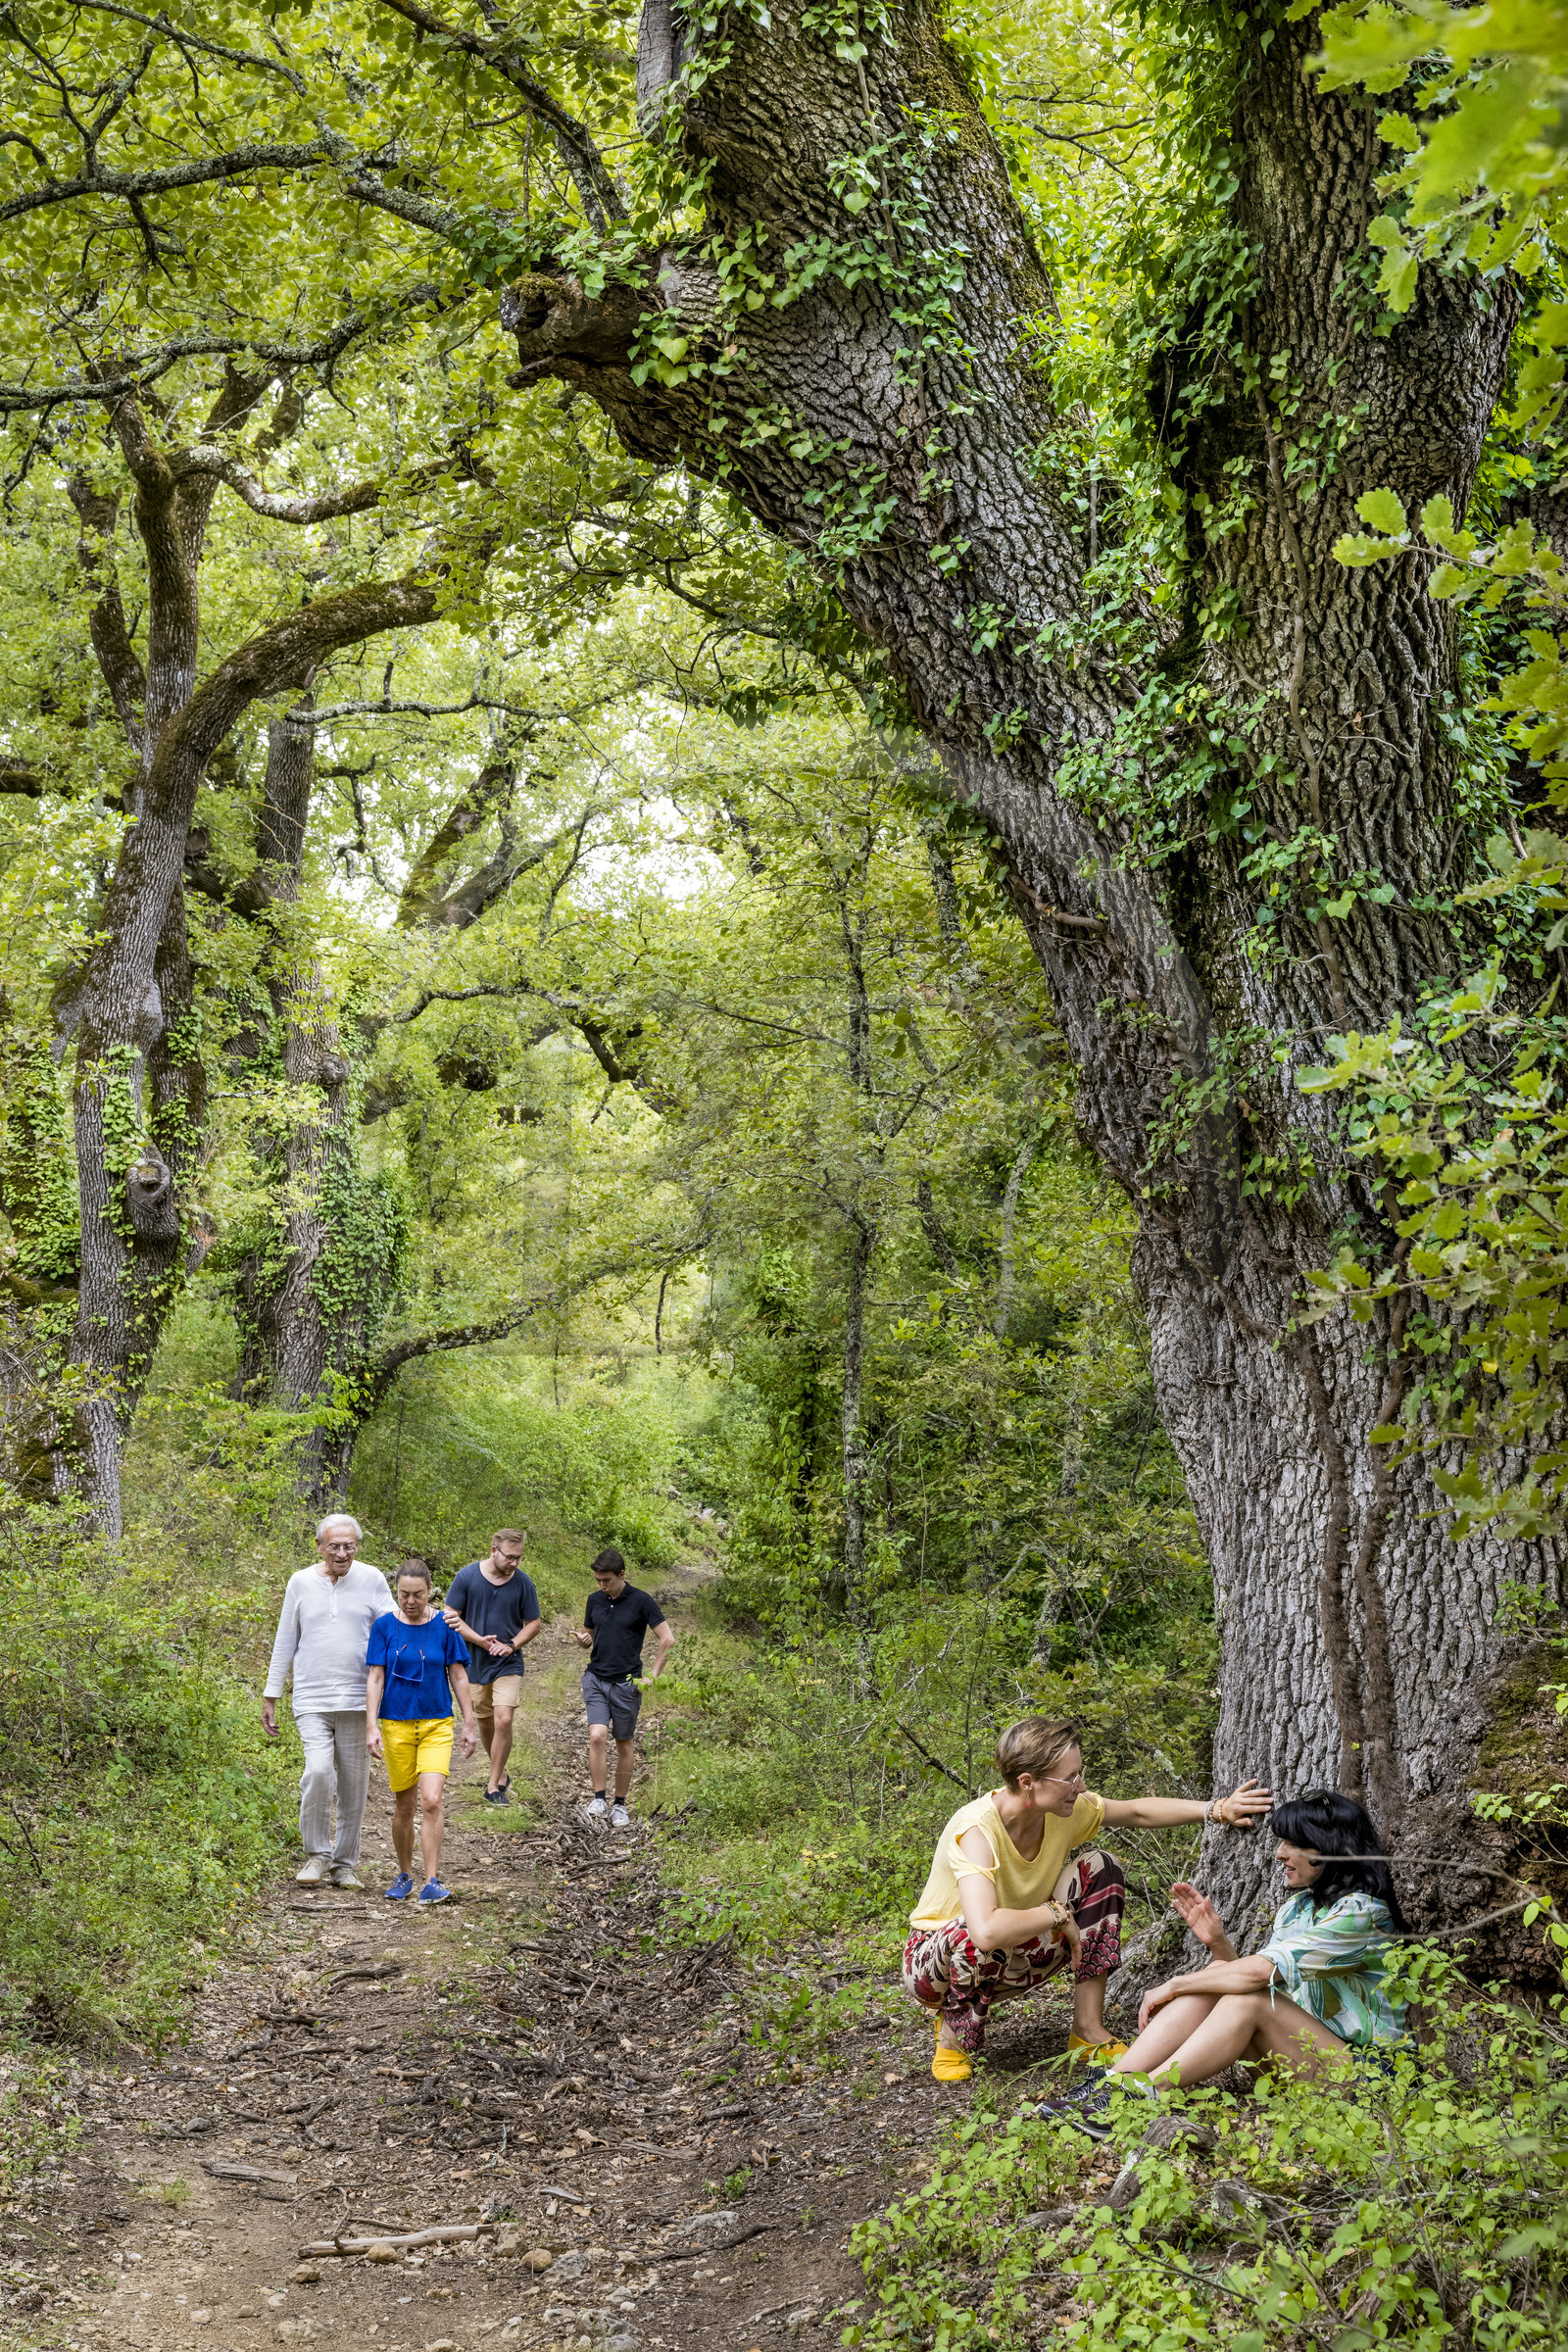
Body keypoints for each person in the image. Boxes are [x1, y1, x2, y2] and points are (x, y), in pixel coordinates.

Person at [906, 1717, 1274, 2083]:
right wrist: (1054, 1913)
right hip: (936, 1969)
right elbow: (985, 1932)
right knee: (975, 1929)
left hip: (1013, 1952)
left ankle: (1087, 2028)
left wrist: (1216, 1809)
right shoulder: (976, 1830)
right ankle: (954, 2038)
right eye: (1070, 1778)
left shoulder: (1062, 1809)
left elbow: (1135, 1811)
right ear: (1027, 1783)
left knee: (1102, 1867)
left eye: (1079, 1773)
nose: (1080, 1786)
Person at [1046, 1789, 1411, 2137]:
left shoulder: (1362, 1913)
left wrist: (1174, 1984)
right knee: (1219, 1975)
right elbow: (1263, 1986)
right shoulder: (1299, 1908)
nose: (1279, 1854)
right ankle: (1115, 2084)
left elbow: (1258, 1981)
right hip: (1304, 2055)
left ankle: (1142, 2095)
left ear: (1330, 1849)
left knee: (1240, 1994)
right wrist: (1219, 1947)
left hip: (1368, 2081)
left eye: (1294, 1844)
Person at [263, 1514, 394, 1888]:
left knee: (354, 1784)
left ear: (357, 1547)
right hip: (312, 1697)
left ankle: (345, 1864)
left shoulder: (372, 1578)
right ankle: (317, 1855)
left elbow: (394, 1626)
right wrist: (271, 1694)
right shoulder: (300, 1582)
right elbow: (285, 1639)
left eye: (349, 1546)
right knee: (318, 1772)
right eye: (334, 1546)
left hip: (358, 1698)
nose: (342, 1553)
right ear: (319, 1546)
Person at [366, 1558, 478, 1904]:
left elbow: (458, 1675)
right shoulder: (384, 1626)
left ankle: (432, 1880)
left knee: (431, 1801)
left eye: (418, 1595)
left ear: (430, 1591)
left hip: (436, 1723)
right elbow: (375, 1677)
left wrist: (469, 1722)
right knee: (405, 1805)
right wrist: (372, 1726)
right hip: (396, 1724)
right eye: (404, 1594)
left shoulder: (445, 1626)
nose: (410, 1601)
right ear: (395, 1592)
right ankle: (404, 1875)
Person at [571, 1546, 674, 1827]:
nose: (602, 1586)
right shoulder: (594, 1600)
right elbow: (589, 1634)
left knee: (624, 1742)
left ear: (621, 1574)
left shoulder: (642, 1601)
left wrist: (651, 1676)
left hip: (627, 1683)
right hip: (596, 1677)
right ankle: (599, 1798)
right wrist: (583, 1640)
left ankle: (619, 1804)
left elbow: (667, 1639)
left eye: (607, 1580)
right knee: (596, 1736)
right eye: (598, 1581)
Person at [442, 1528, 543, 1807]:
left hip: (508, 1661)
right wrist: (479, 1640)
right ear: (493, 1550)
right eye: (509, 1557)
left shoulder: (523, 1584)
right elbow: (450, 1616)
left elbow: (533, 1623)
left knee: (504, 1719)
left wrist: (511, 1645)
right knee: (485, 1720)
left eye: (518, 1558)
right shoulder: (466, 1577)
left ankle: (493, 1785)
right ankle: (500, 1772)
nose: (514, 1563)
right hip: (473, 1661)